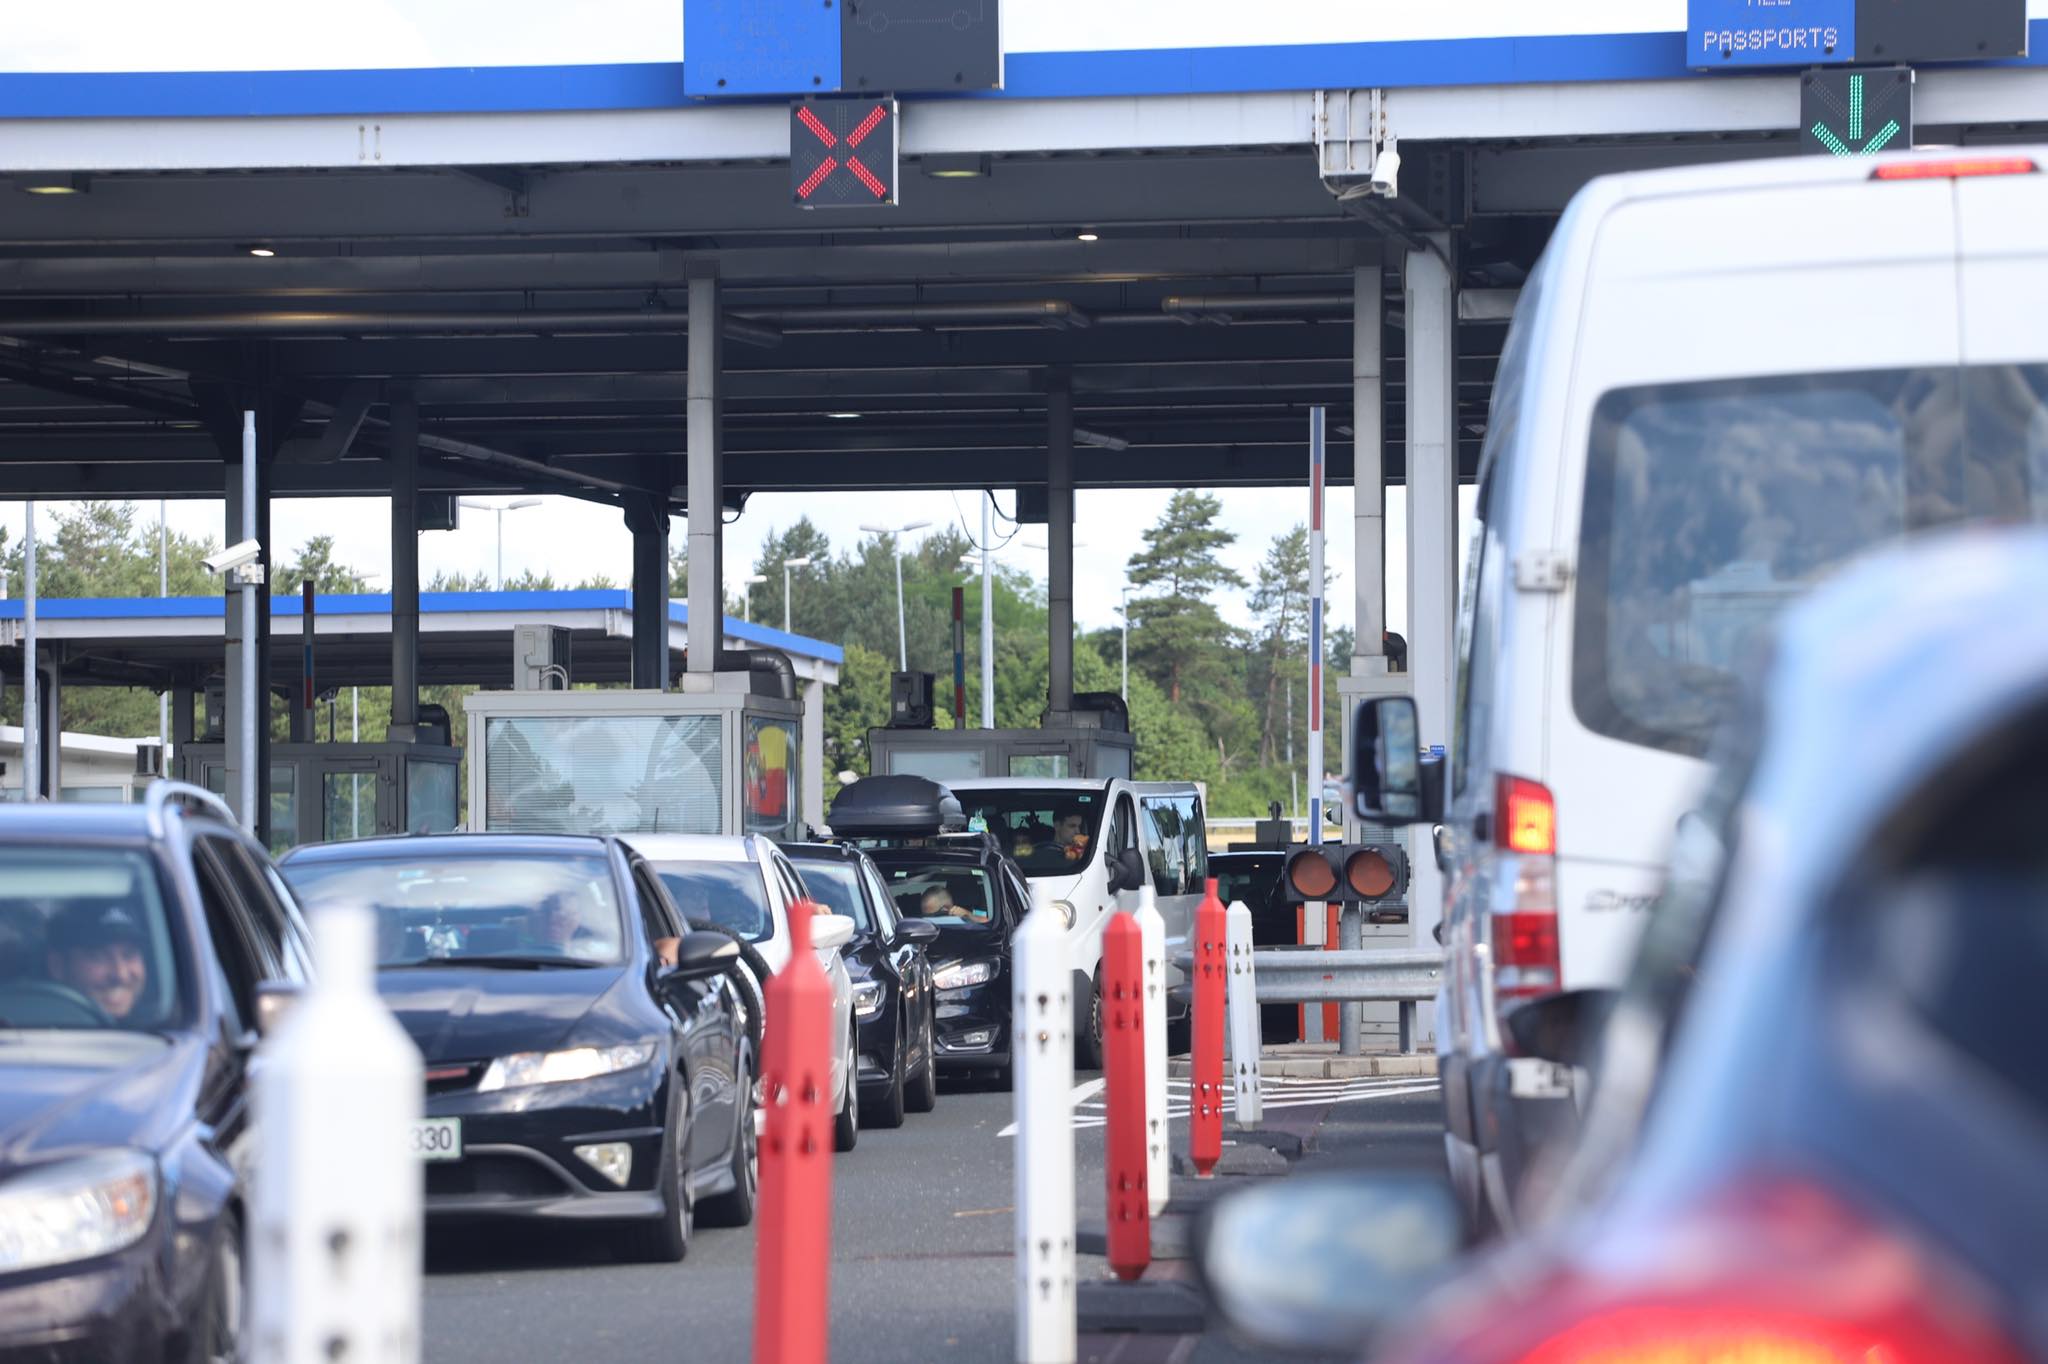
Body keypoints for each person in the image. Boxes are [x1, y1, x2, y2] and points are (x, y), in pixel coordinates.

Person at [45, 902, 149, 1023]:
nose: (121, 975)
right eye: (99, 956)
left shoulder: (160, 1023)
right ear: (57, 966)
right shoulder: (40, 1029)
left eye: (129, 955)